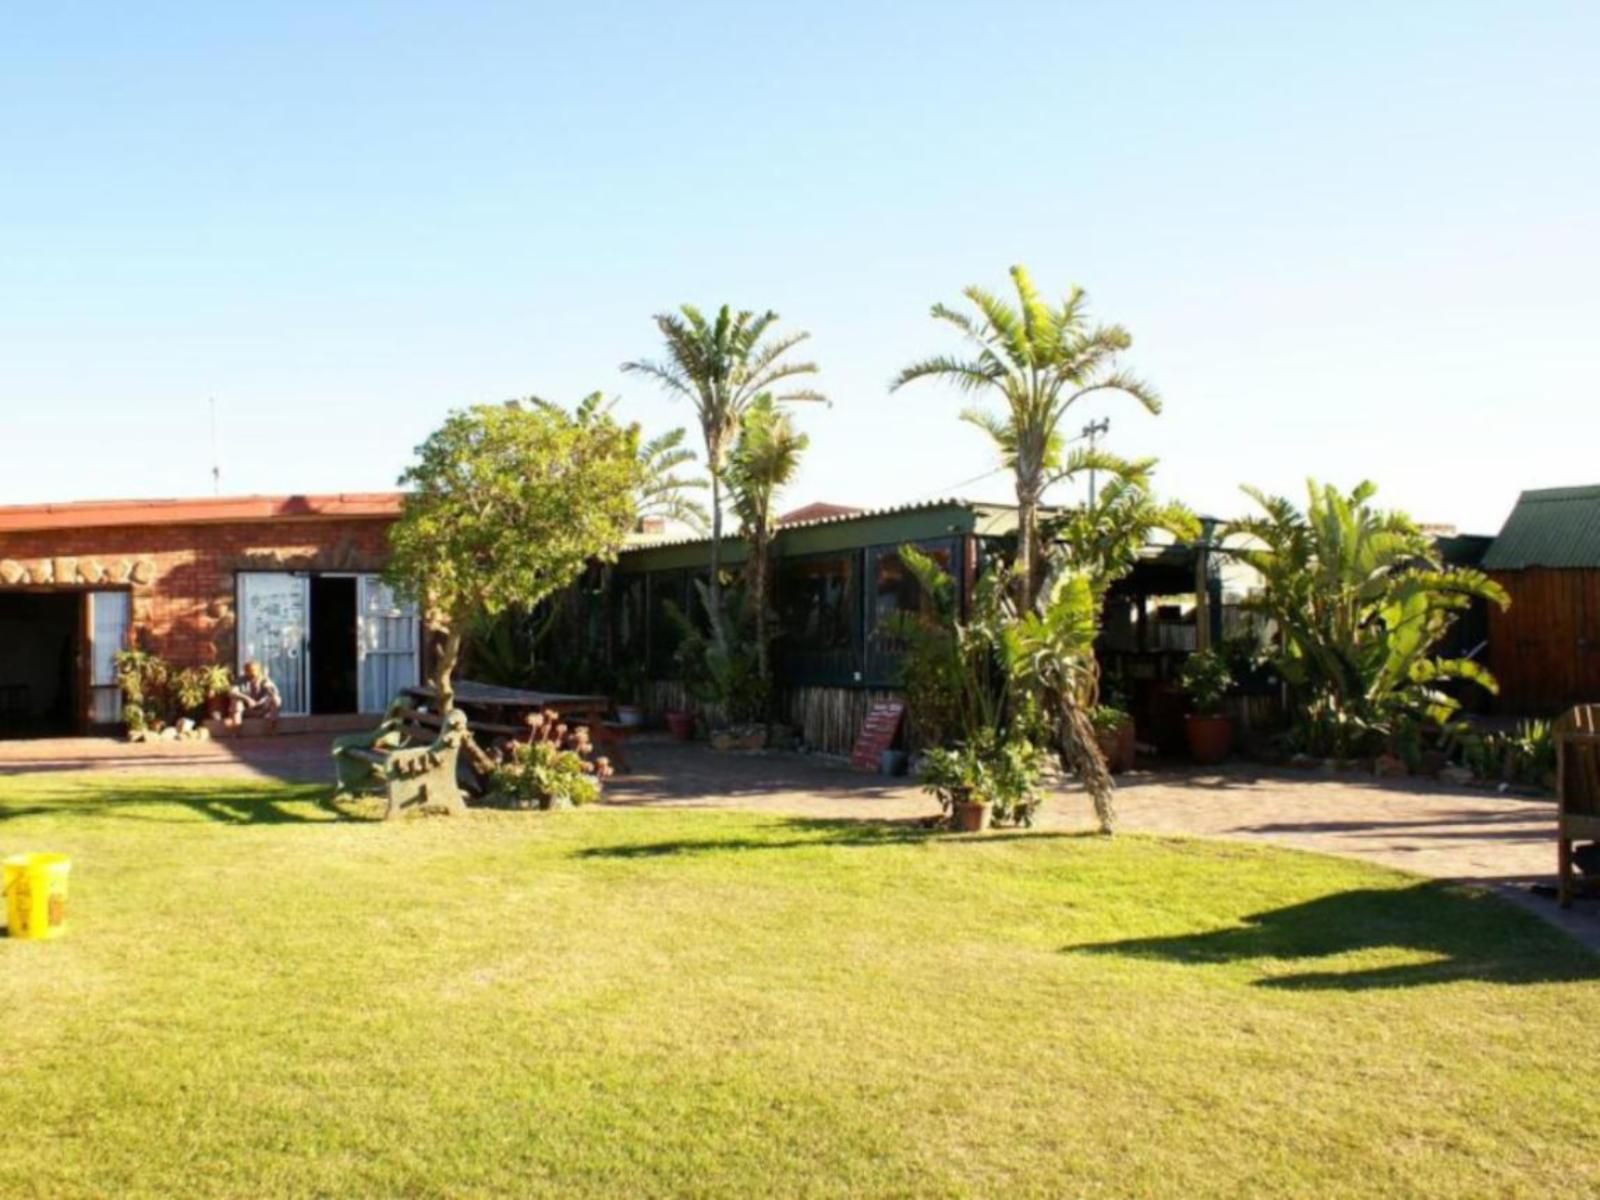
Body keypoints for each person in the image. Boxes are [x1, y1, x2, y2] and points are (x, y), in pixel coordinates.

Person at [227, 660, 281, 732]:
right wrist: (247, 699)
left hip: (261, 708)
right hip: (246, 709)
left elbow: (275, 692)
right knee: (236, 701)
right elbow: (232, 692)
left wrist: (269, 689)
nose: (251, 673)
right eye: (248, 670)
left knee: (276, 699)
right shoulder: (240, 680)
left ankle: (272, 728)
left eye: (253, 670)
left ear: (258, 670)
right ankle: (236, 729)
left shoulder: (264, 679)